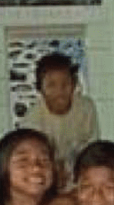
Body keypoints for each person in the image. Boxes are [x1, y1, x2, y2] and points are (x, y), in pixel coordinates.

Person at [19, 53, 99, 185]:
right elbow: (34, 159)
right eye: (51, 85)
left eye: (65, 84)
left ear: (74, 85)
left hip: (79, 172)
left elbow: (91, 147)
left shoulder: (86, 107)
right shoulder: (32, 119)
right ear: (40, 89)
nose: (59, 91)